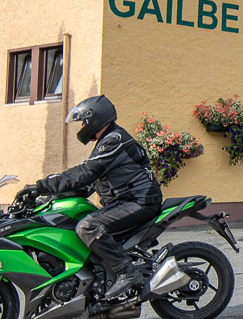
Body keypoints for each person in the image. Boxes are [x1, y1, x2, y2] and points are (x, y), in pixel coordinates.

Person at [18, 95, 162, 298]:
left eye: (84, 122)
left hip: (140, 202)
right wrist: (49, 198)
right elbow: (88, 183)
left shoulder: (114, 140)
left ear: (95, 118)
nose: (82, 127)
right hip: (125, 202)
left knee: (88, 227)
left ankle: (126, 271)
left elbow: (85, 173)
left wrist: (40, 187)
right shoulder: (108, 140)